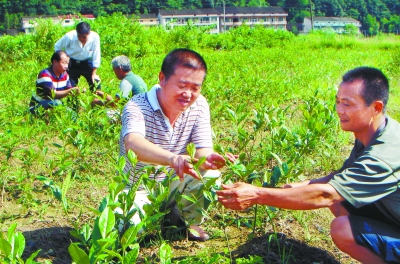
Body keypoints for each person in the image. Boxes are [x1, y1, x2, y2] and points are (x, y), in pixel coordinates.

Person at [217, 67, 400, 263]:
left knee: (342, 228)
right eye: (338, 102)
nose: (339, 110)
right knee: (341, 200)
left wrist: (257, 194)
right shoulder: (374, 131)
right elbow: (341, 177)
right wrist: (295, 187)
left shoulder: (386, 152)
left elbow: (326, 194)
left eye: (347, 104)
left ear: (376, 108)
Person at [119, 48, 234, 242]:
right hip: (138, 189)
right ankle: (149, 220)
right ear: (162, 78)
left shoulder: (199, 106)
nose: (188, 94)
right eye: (182, 85)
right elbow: (133, 144)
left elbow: (202, 149)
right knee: (126, 230)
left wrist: (209, 158)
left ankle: (181, 223)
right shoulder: (136, 106)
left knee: (211, 176)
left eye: (195, 88)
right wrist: (173, 159)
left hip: (173, 184)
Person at [54, 21, 101, 92]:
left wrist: (93, 73)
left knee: (96, 83)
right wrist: (63, 60)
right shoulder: (69, 36)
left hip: (86, 62)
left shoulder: (95, 37)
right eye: (79, 36)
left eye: (84, 37)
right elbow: (57, 46)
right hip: (71, 63)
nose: (81, 39)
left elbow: (96, 55)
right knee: (70, 87)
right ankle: (73, 102)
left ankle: (96, 101)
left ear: (89, 33)